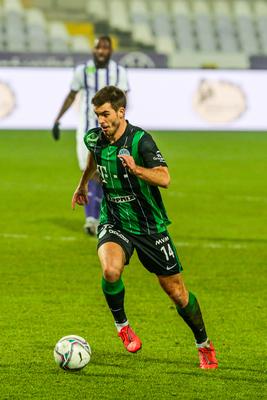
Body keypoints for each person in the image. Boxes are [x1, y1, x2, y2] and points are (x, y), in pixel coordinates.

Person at [71, 86, 218, 369]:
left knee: (177, 292)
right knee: (110, 270)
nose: (100, 120)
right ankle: (123, 326)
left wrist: (136, 168)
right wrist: (83, 183)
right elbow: (94, 154)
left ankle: (204, 344)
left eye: (105, 114)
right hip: (114, 219)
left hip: (149, 226)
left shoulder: (141, 141)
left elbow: (164, 178)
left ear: (121, 112)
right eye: (97, 115)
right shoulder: (95, 137)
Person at [53, 36, 129, 235]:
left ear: (111, 50)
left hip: (111, 133)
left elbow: (124, 101)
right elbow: (72, 95)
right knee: (90, 171)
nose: (102, 51)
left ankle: (99, 218)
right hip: (87, 131)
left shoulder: (119, 72)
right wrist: (57, 119)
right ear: (93, 50)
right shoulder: (82, 71)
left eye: (105, 48)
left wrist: (122, 128)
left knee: (106, 175)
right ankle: (92, 219)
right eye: (98, 48)